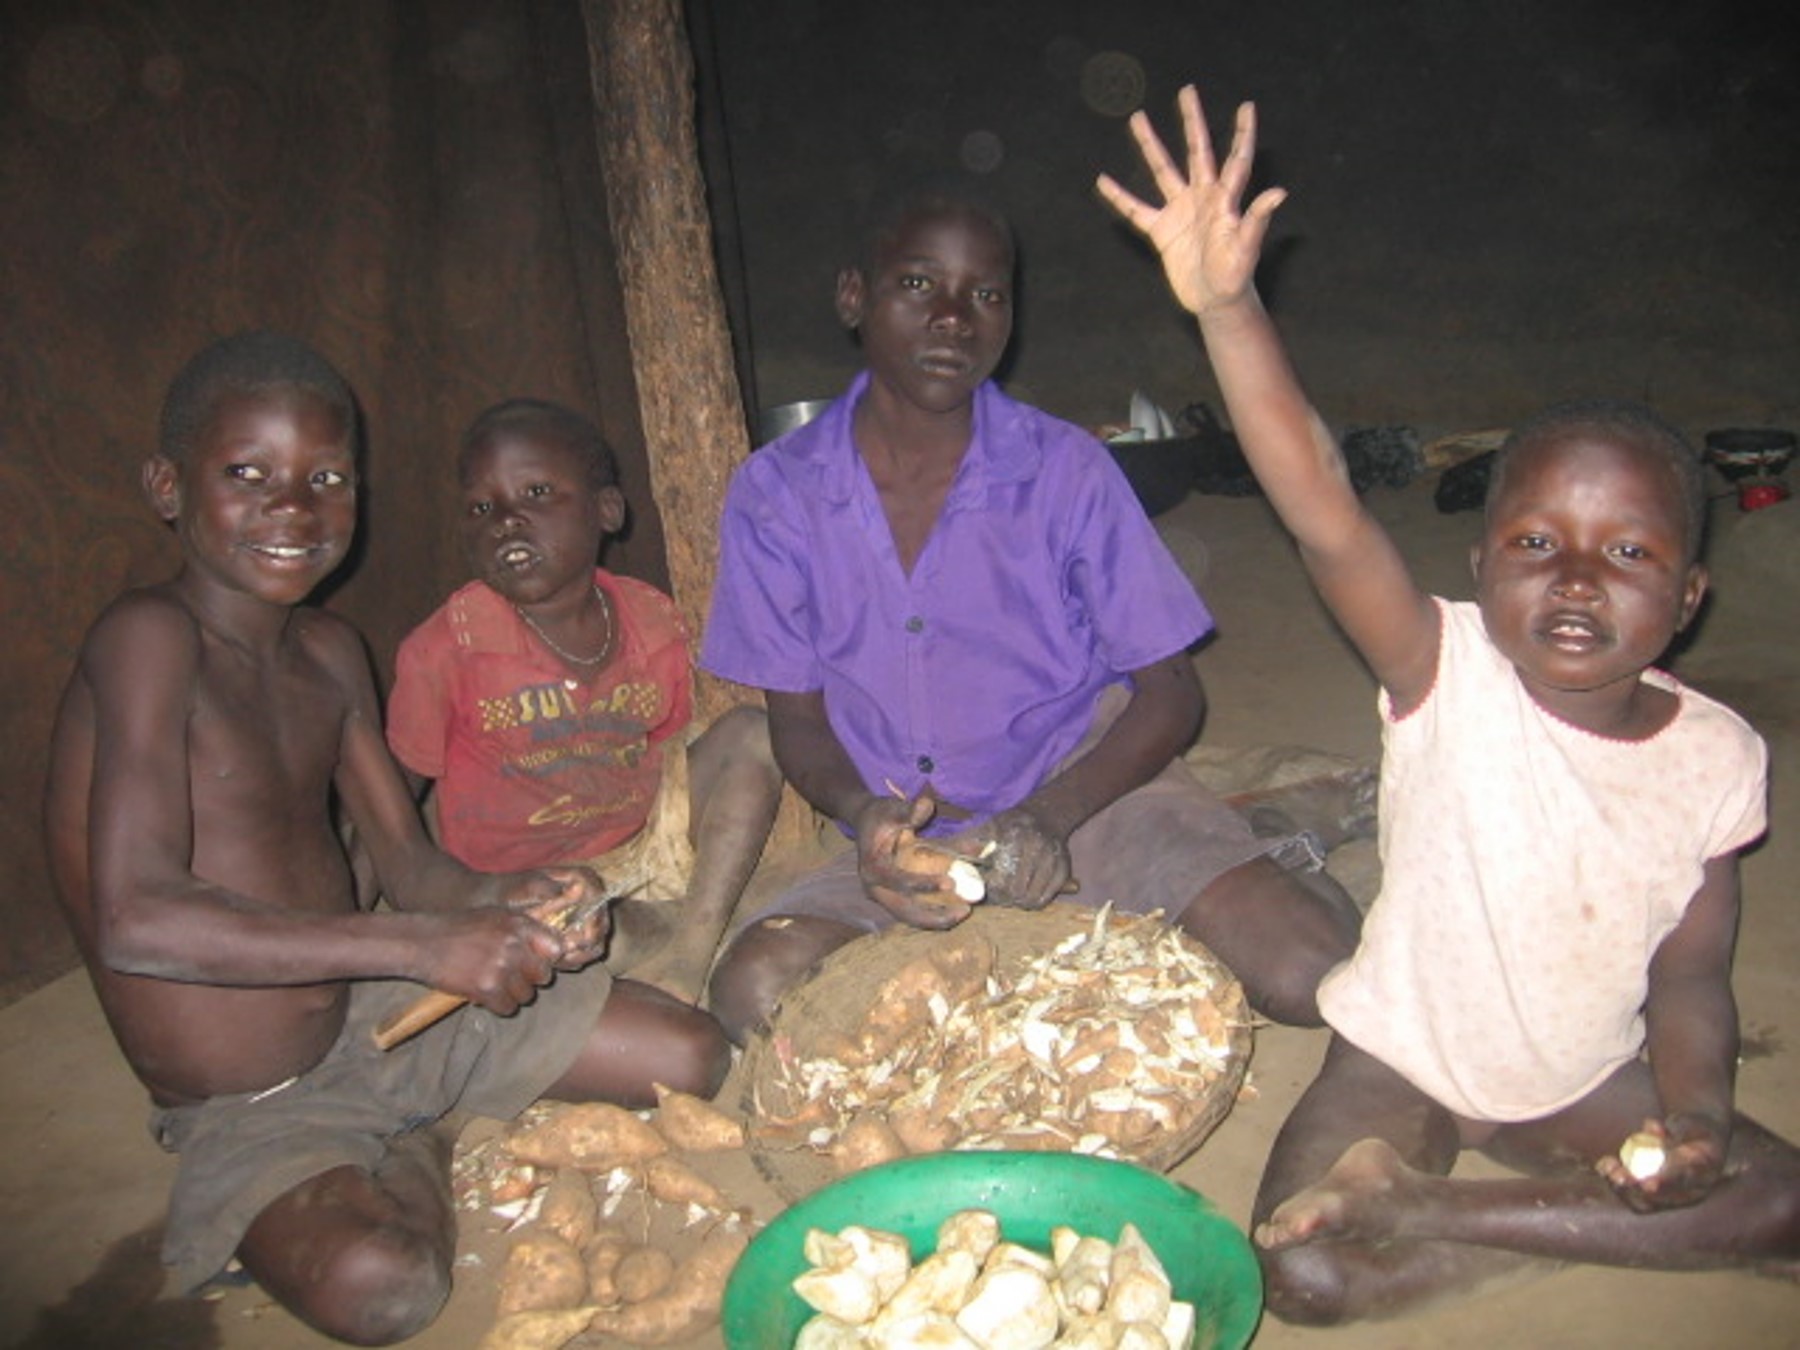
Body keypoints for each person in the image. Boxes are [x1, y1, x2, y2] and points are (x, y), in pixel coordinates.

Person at [1098, 85, 1799, 1322]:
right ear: (1480, 571)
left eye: (1627, 554)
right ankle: (1573, 1225)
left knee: (1782, 1198)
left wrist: (1689, 1117)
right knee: (1297, 1274)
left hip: (1583, 1080)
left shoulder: (1717, 759)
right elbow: (1319, 494)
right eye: (1537, 541)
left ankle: (1447, 1218)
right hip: (1400, 1057)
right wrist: (1227, 305)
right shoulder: (1444, 667)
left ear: (1686, 596)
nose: (1578, 577)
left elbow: (1692, 977)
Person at [41, 332, 730, 1346]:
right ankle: (419, 1143)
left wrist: (525, 899)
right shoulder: (147, 640)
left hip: (373, 1013)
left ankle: (412, 1116)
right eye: (247, 474)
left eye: (327, 477)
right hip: (250, 1091)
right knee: (387, 1287)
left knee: (692, 1052)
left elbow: (410, 865)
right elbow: (136, 918)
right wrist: (417, 946)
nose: (294, 508)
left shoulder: (329, 653)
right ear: (166, 486)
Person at [698, 177, 1364, 1045]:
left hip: (1087, 789)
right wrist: (868, 821)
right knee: (758, 992)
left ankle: (1259, 843)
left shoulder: (1065, 471)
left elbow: (1171, 695)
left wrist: (1050, 816)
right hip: (911, 845)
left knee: (1311, 977)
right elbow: (797, 721)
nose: (953, 318)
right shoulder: (777, 494)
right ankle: (1183, 871)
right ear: (853, 296)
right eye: (917, 284)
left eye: (986, 295)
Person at [385, 397, 783, 1003]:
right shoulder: (446, 649)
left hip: (638, 856)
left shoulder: (654, 620)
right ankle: (649, 943)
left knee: (752, 734)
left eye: (538, 494)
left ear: (606, 511)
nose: (507, 521)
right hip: (518, 889)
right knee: (581, 931)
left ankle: (691, 951)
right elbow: (388, 808)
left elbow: (669, 750)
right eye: (481, 507)